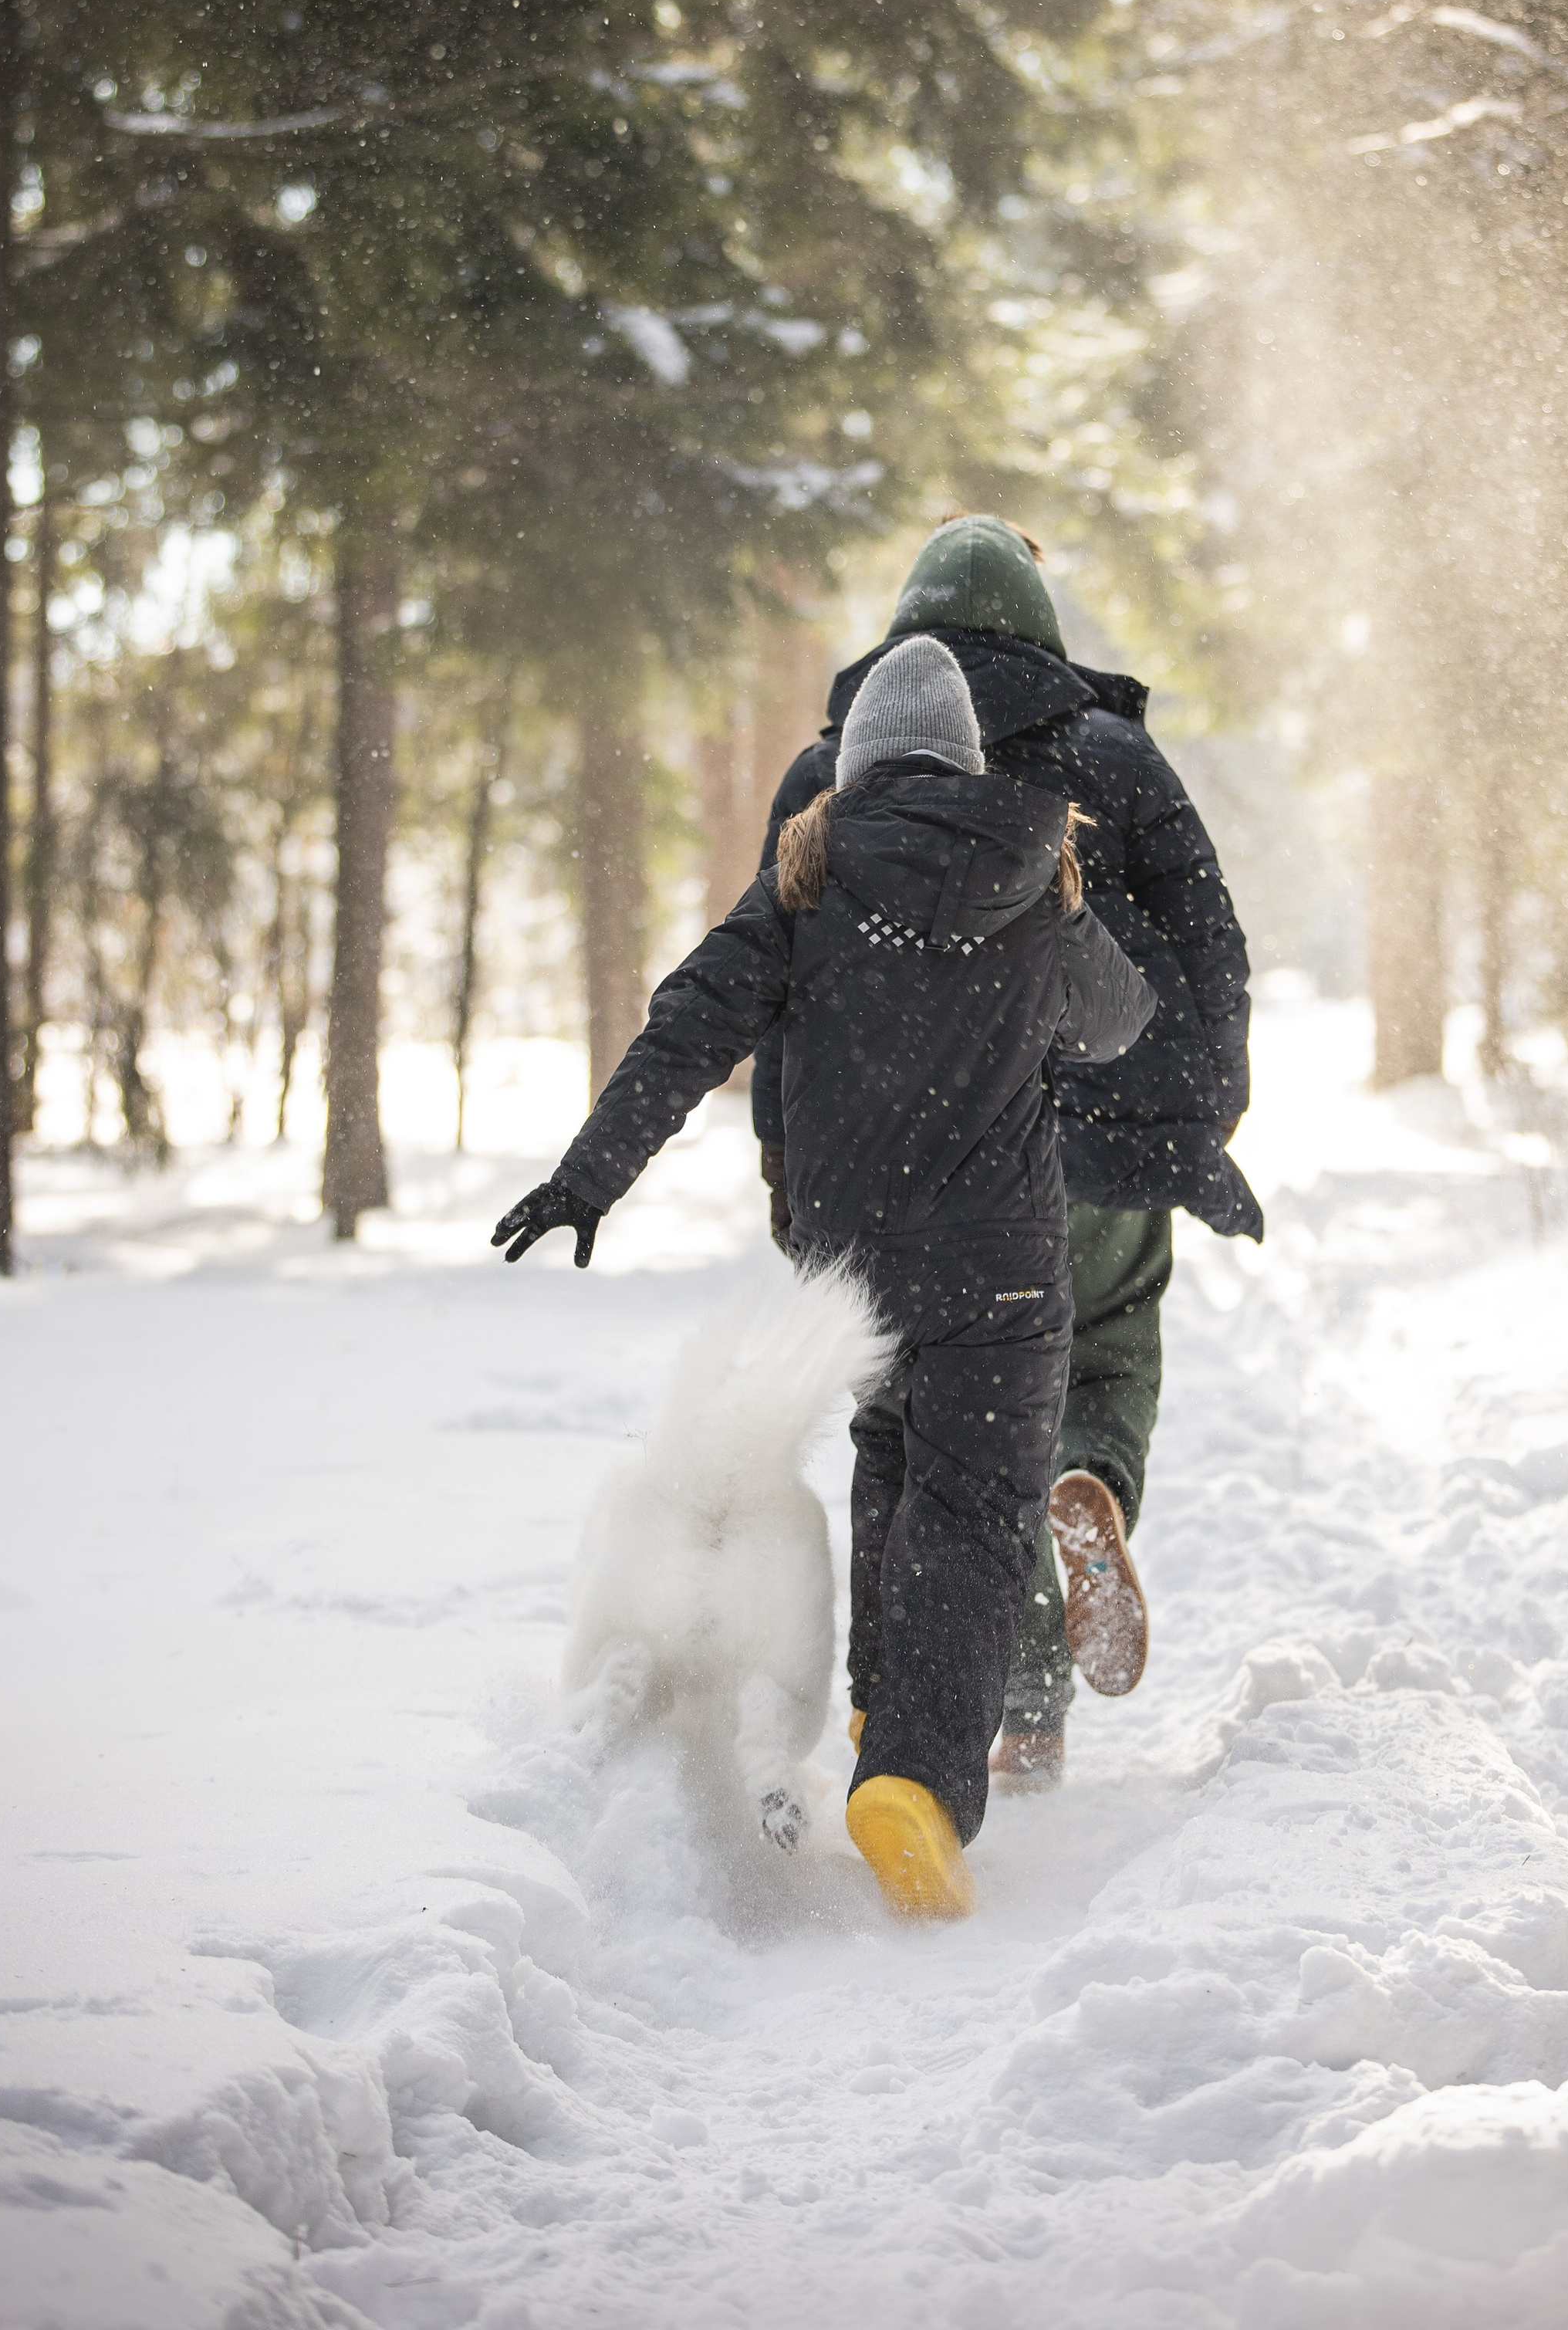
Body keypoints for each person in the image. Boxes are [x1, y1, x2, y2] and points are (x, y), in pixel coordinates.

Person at [492, 633, 1155, 1920]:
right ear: (963, 757)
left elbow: (689, 1021)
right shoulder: (1033, 865)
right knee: (968, 1515)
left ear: (852, 763)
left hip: (851, 1271)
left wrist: (591, 1176)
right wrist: (1068, 914)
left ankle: (872, 1703)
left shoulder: (809, 875)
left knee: (892, 1464)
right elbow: (1118, 1023)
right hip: (1003, 1282)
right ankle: (913, 1777)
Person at [755, 516, 1261, 1786]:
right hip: (1099, 1148)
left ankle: (920, 1714)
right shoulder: (1118, 758)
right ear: (1039, 625)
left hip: (911, 1166)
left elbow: (780, 984)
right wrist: (1202, 1117)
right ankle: (1053, 1628)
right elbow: (1210, 946)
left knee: (924, 1436)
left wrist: (789, 1172)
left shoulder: (834, 770)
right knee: (1103, 1360)